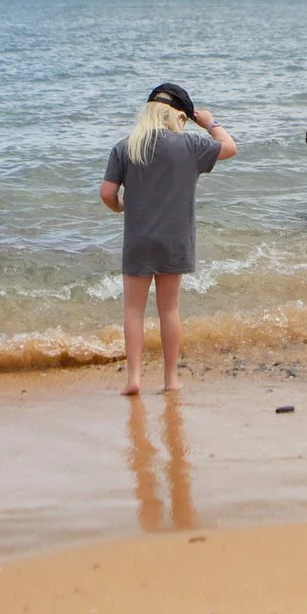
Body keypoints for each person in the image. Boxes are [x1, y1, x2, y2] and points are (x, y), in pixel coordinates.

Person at [100, 82, 236, 396]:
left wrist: (121, 206)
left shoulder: (126, 146)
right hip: (175, 240)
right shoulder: (189, 146)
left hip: (138, 240)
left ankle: (134, 378)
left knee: (133, 310)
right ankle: (171, 379)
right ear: (178, 116)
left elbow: (107, 193)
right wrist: (210, 123)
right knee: (169, 310)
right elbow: (230, 147)